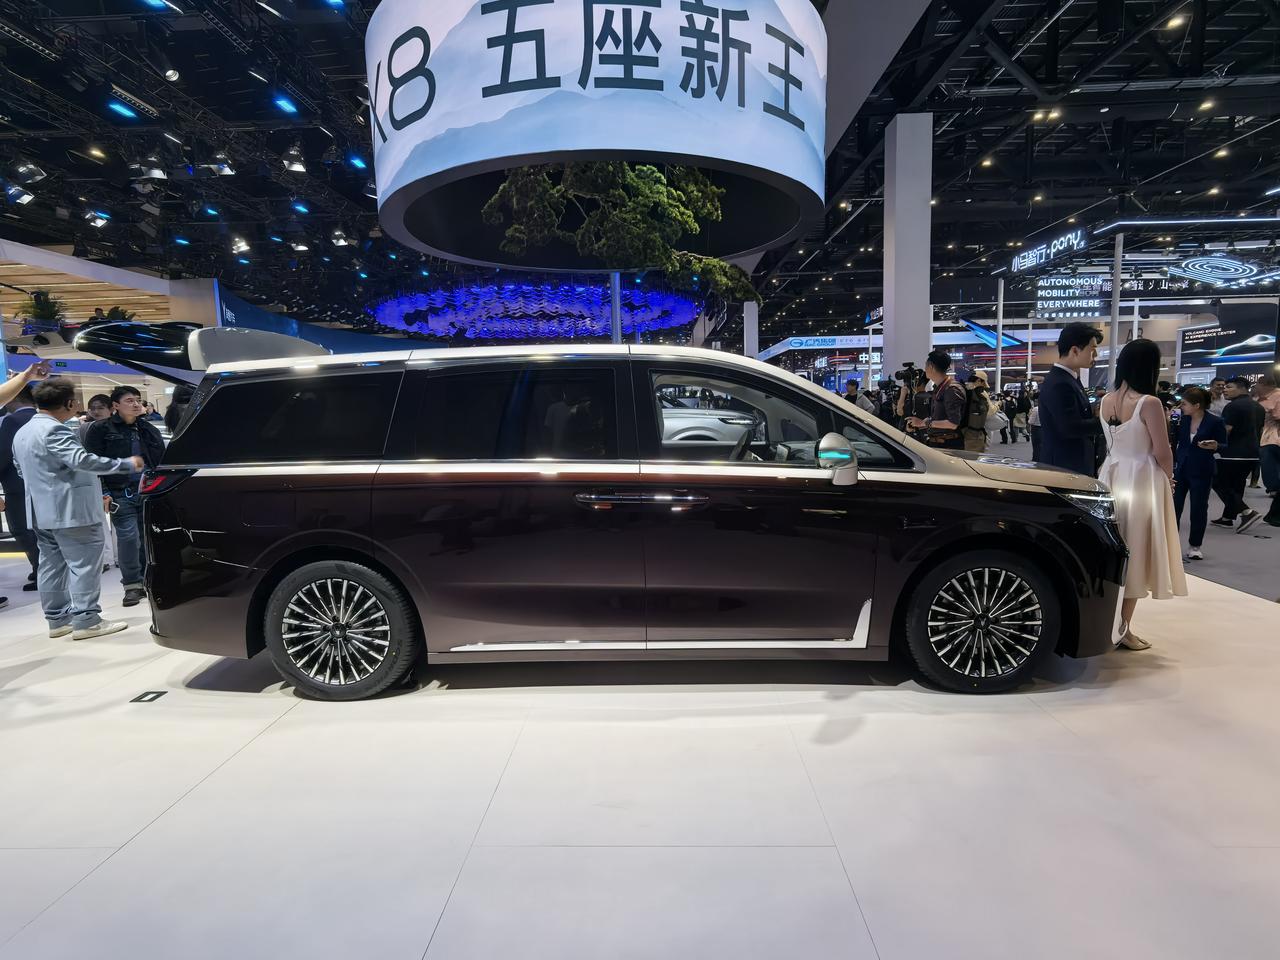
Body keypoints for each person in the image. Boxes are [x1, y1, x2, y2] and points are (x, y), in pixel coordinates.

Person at [12, 380, 143, 640]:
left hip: (40, 509)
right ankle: (87, 619)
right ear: (70, 403)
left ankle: (58, 620)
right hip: (70, 509)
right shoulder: (54, 430)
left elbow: (20, 470)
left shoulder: (23, 432)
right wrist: (126, 464)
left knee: (51, 565)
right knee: (84, 564)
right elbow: (81, 461)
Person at [1098, 340, 1187, 651]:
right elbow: (1163, 451)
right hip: (1142, 480)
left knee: (1116, 549)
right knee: (1136, 550)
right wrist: (1169, 478)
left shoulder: (1106, 400)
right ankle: (1122, 628)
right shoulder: (1149, 403)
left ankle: (1110, 625)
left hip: (1111, 475)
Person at [84, 386, 165, 607]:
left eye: (138, 400)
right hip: (120, 493)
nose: (136, 404)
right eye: (130, 400)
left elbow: (159, 460)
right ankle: (132, 585)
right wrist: (104, 492)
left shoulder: (148, 428)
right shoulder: (100, 429)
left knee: (147, 539)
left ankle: (147, 580)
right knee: (129, 538)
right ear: (115, 405)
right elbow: (92, 464)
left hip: (148, 492)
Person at [1038, 322, 1106, 477]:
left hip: (1071, 463)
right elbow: (1070, 427)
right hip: (1065, 468)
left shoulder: (1069, 378)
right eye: (1092, 349)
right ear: (1075, 350)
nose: (1095, 354)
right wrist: (1105, 421)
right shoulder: (1060, 383)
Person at [1172, 386, 1227, 562]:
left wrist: (1216, 446)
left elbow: (1224, 445)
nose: (1181, 406)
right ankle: (1171, 546)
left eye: (1184, 404)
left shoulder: (1215, 422)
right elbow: (1173, 441)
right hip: (1180, 469)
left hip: (1202, 469)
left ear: (1196, 405)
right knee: (1174, 508)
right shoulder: (1182, 420)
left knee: (1199, 508)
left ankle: (1195, 546)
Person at [1211, 377, 1265, 534]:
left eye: (1229, 387)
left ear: (1241, 388)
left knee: (1218, 482)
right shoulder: (1258, 407)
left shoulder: (1233, 406)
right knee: (1237, 485)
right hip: (1252, 453)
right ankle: (1227, 518)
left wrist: (1214, 445)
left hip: (1232, 453)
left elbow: (1226, 430)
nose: (1225, 390)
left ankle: (1247, 512)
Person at [0, 384, 41, 590]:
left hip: (17, 484)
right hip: (44, 484)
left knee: (21, 528)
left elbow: (3, 454)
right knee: (42, 530)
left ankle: (41, 570)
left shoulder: (12, 420)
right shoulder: (43, 418)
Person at [905, 350, 967, 450]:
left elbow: (953, 424)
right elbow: (939, 418)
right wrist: (919, 424)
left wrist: (923, 423)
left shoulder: (951, 389)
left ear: (931, 367)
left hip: (948, 446)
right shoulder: (940, 388)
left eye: (926, 366)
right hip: (939, 443)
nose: (925, 370)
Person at [962, 371, 992, 452]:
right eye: (983, 383)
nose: (983, 387)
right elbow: (989, 412)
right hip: (973, 434)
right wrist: (998, 405)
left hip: (962, 432)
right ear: (978, 380)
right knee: (974, 457)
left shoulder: (962, 390)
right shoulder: (979, 394)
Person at [1028, 395, 1043, 461]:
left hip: (1036, 428)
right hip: (1043, 428)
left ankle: (1036, 459)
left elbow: (1031, 421)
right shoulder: (1046, 408)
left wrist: (1029, 416)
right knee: (1041, 445)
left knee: (1036, 446)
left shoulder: (1035, 409)